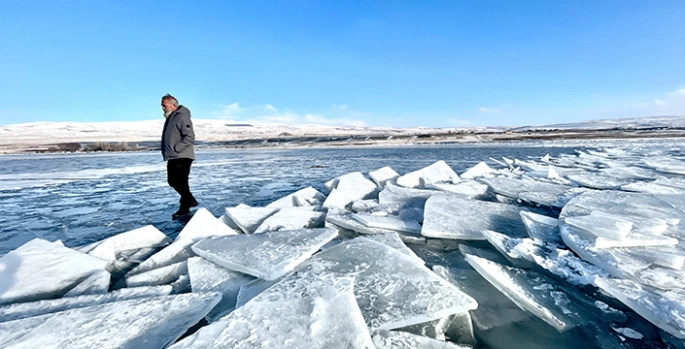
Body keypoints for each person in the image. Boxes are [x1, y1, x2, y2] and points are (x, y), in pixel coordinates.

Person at [161, 94, 198, 219]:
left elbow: (189, 137)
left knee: (180, 182)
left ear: (173, 105)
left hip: (181, 156)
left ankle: (185, 206)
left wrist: (177, 149)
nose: (162, 108)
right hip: (174, 156)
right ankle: (188, 201)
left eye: (164, 105)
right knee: (174, 182)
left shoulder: (181, 117)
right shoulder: (171, 118)